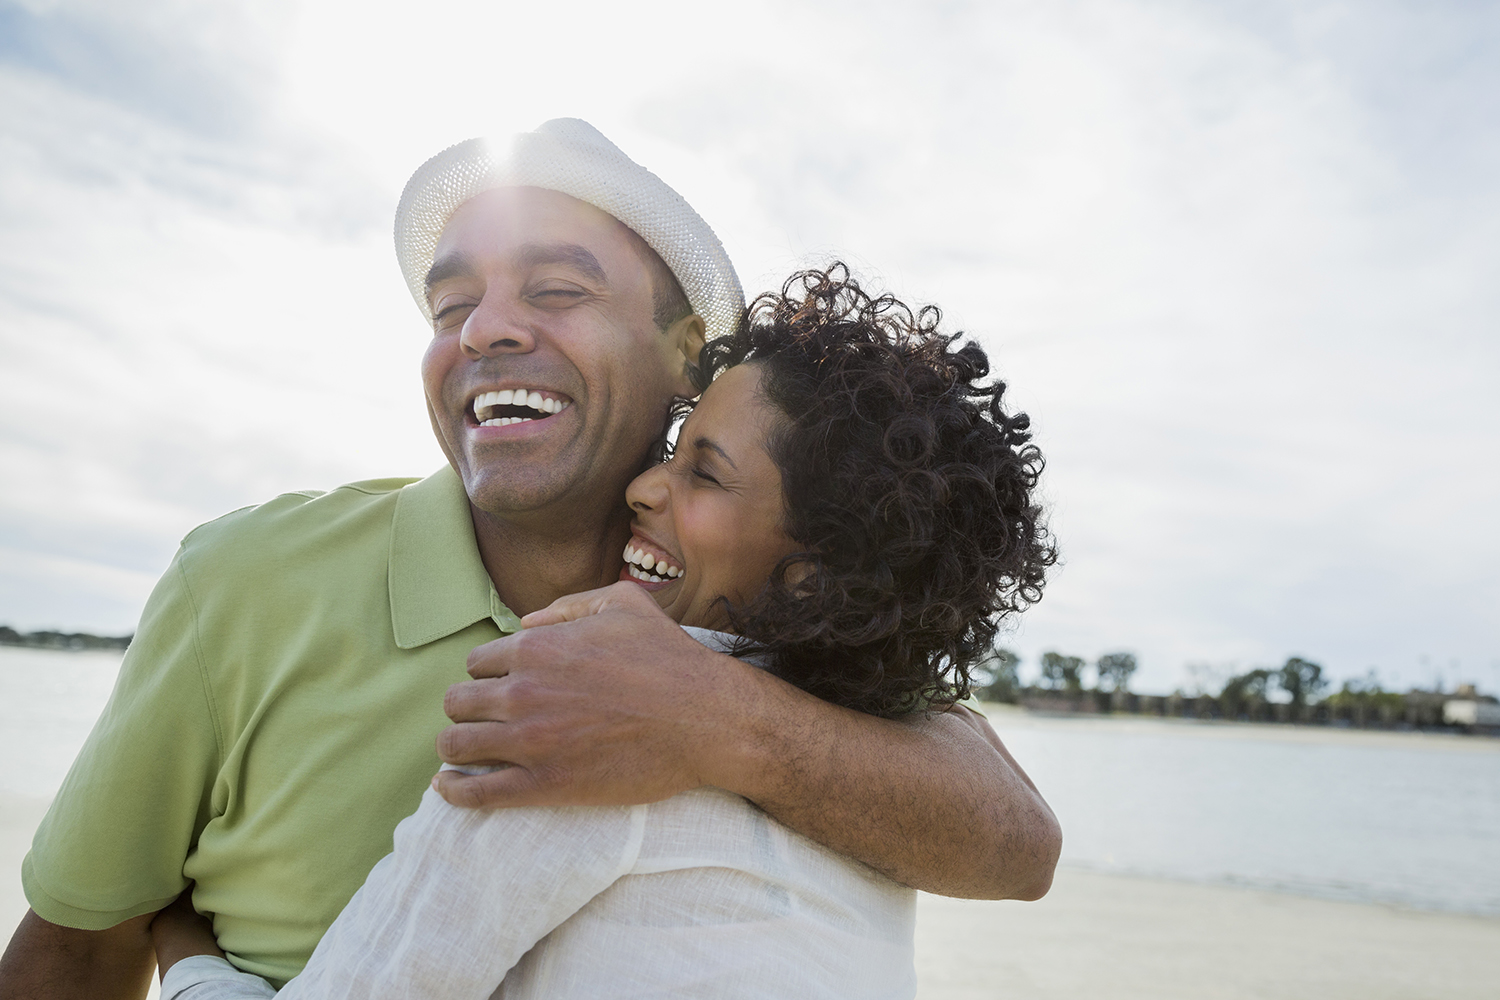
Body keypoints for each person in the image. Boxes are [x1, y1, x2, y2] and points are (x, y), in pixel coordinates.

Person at [0, 120, 1061, 997]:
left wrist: (710, 720)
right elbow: (72, 950)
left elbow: (1017, 837)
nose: (484, 331)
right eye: (451, 305)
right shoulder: (239, 581)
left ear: (686, 354)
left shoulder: (746, 660)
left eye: (556, 290)